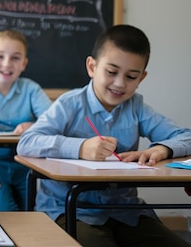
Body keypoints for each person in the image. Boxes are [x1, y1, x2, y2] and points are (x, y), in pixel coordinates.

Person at [16, 24, 191, 247]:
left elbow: (186, 137)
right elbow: (27, 142)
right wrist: (80, 148)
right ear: (92, 66)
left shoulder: (136, 108)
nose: (119, 83)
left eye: (131, 76)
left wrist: (161, 149)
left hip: (125, 212)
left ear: (142, 78)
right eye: (111, 72)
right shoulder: (69, 104)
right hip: (70, 210)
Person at [0, 29, 52, 211]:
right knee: (4, 211)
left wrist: (34, 125)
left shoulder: (31, 90)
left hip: (26, 164)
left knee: (37, 210)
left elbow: (53, 120)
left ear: (23, 64)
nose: (7, 64)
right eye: (0, 56)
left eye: (15, 58)